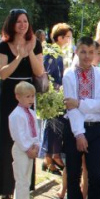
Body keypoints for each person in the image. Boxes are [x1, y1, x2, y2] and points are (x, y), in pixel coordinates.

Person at [0, 9, 44, 199]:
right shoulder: (3, 45)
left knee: (27, 136)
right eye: (19, 21)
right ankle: (6, 187)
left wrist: (29, 53)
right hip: (8, 93)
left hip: (27, 92)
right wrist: (19, 57)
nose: (23, 25)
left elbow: (39, 71)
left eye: (25, 21)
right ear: (11, 24)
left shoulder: (35, 43)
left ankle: (24, 188)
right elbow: (2, 73)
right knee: (7, 139)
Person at [62, 36, 100, 199]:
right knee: (73, 173)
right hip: (74, 129)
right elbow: (70, 108)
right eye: (83, 52)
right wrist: (79, 134)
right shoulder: (68, 75)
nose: (87, 56)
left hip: (96, 129)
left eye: (91, 52)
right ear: (76, 52)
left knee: (97, 174)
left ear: (96, 54)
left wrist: (80, 103)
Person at [41, 23, 72, 177]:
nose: (70, 40)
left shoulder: (63, 53)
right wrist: (55, 88)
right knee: (51, 127)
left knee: (59, 126)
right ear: (60, 38)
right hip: (52, 95)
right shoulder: (51, 52)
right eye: (68, 37)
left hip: (61, 95)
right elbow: (47, 74)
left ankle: (55, 155)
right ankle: (48, 157)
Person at [9, 82, 41, 199]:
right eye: (27, 96)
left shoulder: (31, 113)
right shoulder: (16, 115)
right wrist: (28, 148)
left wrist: (36, 145)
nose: (31, 99)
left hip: (30, 149)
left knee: (26, 178)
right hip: (21, 149)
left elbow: (36, 131)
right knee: (21, 178)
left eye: (32, 96)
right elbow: (18, 135)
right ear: (18, 97)